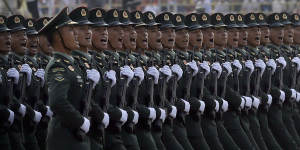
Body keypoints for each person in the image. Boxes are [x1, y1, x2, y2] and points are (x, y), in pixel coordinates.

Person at [40, 7, 94, 150]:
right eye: (70, 30)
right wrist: (80, 121)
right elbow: (57, 101)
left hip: (77, 137)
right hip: (65, 139)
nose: (76, 33)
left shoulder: (72, 64)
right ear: (58, 36)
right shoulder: (58, 66)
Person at [0, 15, 15, 150]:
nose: (7, 37)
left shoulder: (9, 63)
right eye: (2, 34)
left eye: (8, 33)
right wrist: (4, 112)